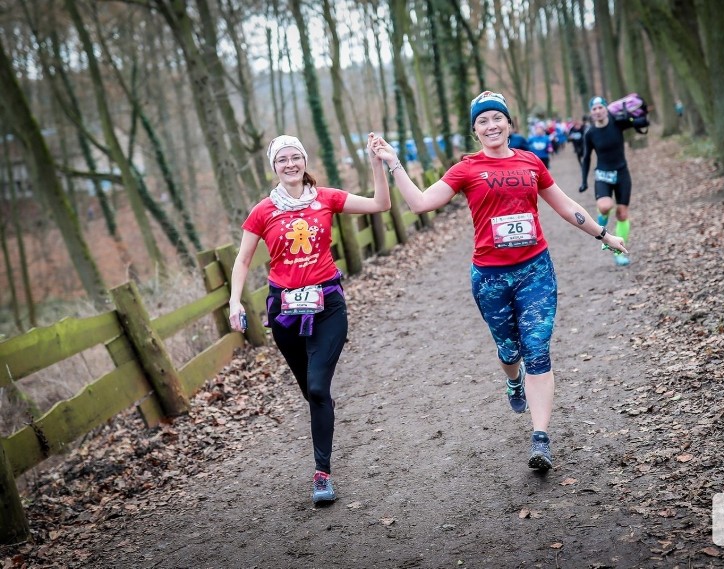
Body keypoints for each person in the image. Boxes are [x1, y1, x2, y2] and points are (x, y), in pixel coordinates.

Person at [369, 91, 627, 473]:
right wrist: (394, 165)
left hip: (535, 271)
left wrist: (603, 235)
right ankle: (513, 380)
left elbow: (565, 204)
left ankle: (540, 437)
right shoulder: (467, 169)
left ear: (509, 123)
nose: (492, 126)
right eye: (483, 121)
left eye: (497, 118)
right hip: (490, 277)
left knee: (537, 348)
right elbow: (421, 203)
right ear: (475, 131)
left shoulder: (531, 162)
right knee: (510, 352)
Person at [228, 134, 391, 505]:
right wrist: (235, 301)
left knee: (318, 389)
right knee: (311, 391)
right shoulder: (262, 211)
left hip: (327, 305)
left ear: (304, 161)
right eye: (282, 159)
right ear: (273, 166)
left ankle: (322, 475)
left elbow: (382, 204)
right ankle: (323, 414)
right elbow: (241, 260)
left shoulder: (327, 198)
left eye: (295, 157)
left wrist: (376, 162)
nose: (290, 164)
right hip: (284, 312)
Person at [579, 96, 648, 267]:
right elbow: (587, 157)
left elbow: (639, 123)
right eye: (594, 109)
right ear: (591, 113)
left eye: (600, 107)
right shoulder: (590, 133)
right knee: (605, 206)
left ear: (606, 109)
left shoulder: (617, 122)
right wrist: (584, 181)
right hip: (603, 175)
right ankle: (601, 226)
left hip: (622, 173)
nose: (597, 111)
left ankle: (618, 252)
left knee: (622, 214)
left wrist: (638, 121)